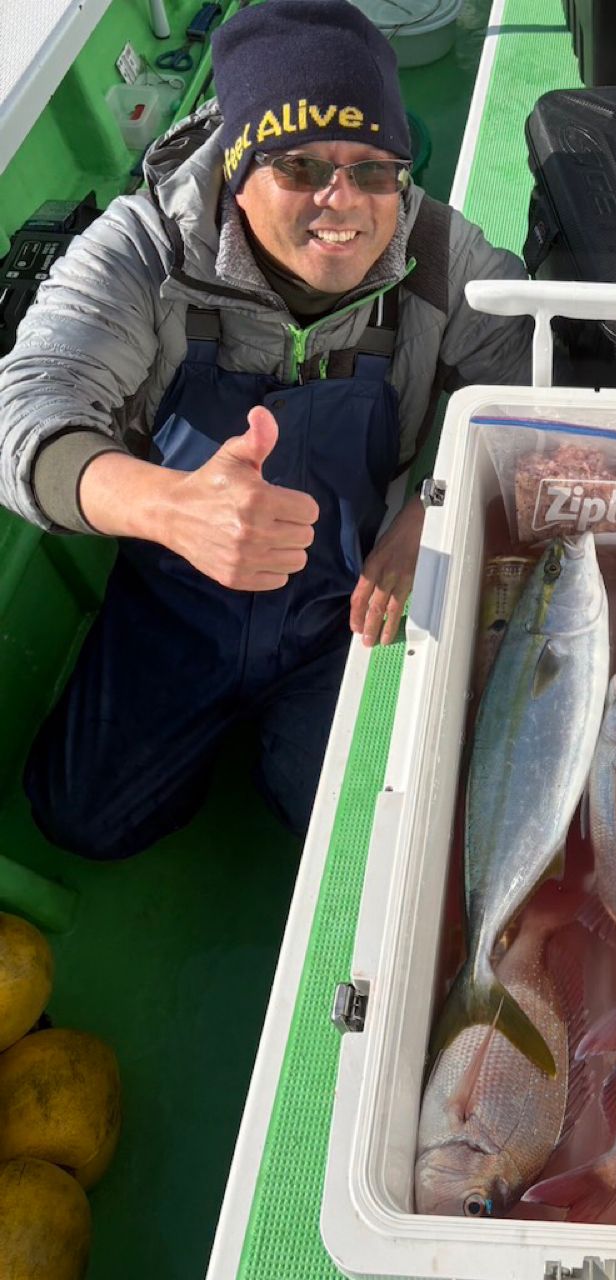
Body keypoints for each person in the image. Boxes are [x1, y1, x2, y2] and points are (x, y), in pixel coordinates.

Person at [0, 0, 532, 861]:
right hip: (177, 602)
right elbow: (27, 405)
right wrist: (172, 508)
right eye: (300, 166)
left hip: (349, 606)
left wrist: (430, 512)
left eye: (374, 170)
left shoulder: (438, 251)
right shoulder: (144, 248)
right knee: (82, 818)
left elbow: (531, 376)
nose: (343, 202)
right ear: (238, 168)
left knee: (346, 825)